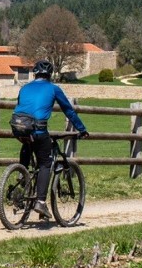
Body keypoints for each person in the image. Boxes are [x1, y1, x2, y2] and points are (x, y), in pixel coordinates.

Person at [10, 59, 87, 206]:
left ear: (35, 74)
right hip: (38, 129)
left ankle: (21, 176)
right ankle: (40, 202)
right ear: (49, 75)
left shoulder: (24, 88)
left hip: (18, 128)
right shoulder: (53, 88)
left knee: (28, 144)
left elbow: (22, 105)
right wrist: (82, 129)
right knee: (45, 163)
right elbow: (68, 110)